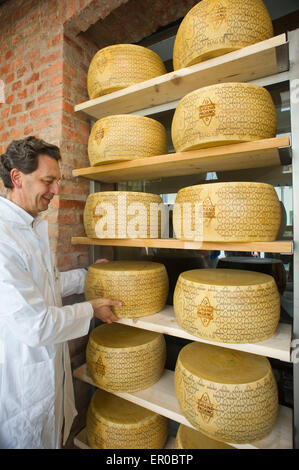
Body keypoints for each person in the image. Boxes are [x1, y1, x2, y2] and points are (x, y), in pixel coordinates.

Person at [0, 136, 121, 449]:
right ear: (17, 178)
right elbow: (35, 324)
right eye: (48, 181)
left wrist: (86, 277)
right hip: (23, 382)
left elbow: (46, 284)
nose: (55, 191)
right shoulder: (3, 238)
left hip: (45, 370)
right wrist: (90, 308)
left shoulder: (30, 224)